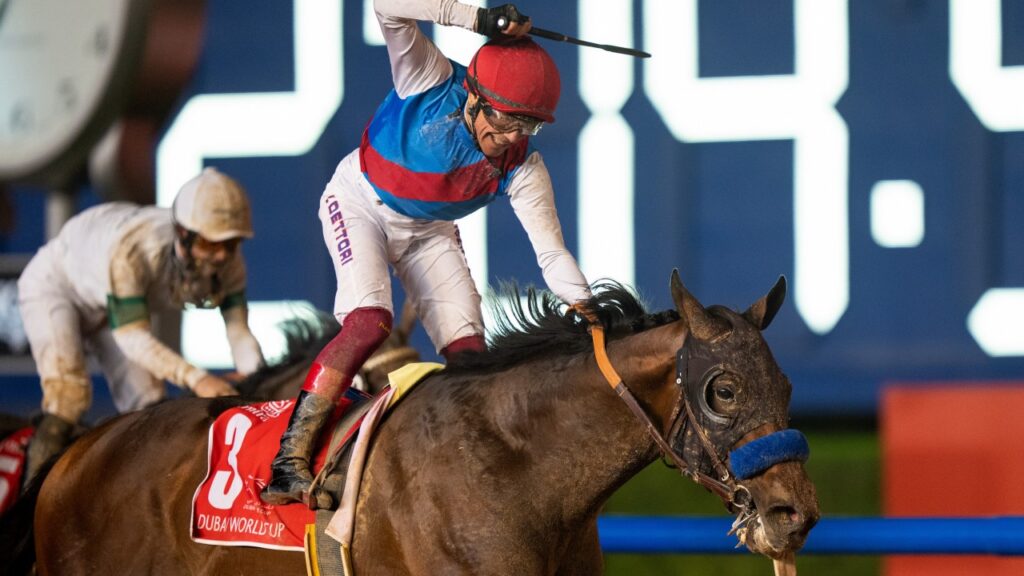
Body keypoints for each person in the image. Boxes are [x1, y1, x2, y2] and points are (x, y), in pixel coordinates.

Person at [260, 0, 593, 507]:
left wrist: (586, 309)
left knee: (470, 357)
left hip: (429, 230)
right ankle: (289, 459)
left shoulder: (524, 167)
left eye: (527, 128)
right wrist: (476, 19)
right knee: (369, 322)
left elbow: (552, 257)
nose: (509, 141)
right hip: (358, 202)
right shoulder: (427, 76)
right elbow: (386, 5)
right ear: (475, 96)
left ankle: (463, 473)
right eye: (504, 122)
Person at [18, 167, 265, 481]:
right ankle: (24, 515)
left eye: (229, 244)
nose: (219, 257)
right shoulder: (135, 247)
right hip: (57, 287)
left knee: (150, 408)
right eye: (209, 243)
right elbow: (132, 337)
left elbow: (238, 331)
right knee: (67, 399)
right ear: (183, 233)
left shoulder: (229, 262)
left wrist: (259, 376)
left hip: (110, 307)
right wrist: (198, 379)